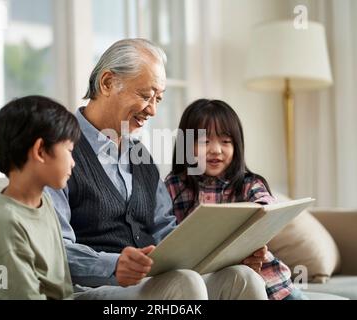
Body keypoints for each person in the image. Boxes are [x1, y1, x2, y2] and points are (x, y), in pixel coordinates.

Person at [47, 38, 269, 299]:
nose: (152, 110)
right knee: (184, 283)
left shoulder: (140, 155)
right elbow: (54, 247)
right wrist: (114, 265)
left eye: (158, 99)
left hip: (149, 283)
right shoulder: (59, 149)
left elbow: (165, 231)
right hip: (91, 290)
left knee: (242, 278)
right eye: (145, 95)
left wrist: (225, 255)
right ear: (107, 83)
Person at [164, 99, 306, 300]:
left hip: (272, 283)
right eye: (205, 141)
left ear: (236, 145)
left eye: (225, 141)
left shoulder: (248, 183)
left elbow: (267, 206)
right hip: (213, 286)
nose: (216, 150)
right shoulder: (174, 186)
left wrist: (259, 217)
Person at [0, 95, 80, 299]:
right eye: (69, 150)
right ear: (40, 151)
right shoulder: (5, 224)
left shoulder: (44, 201)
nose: (73, 162)